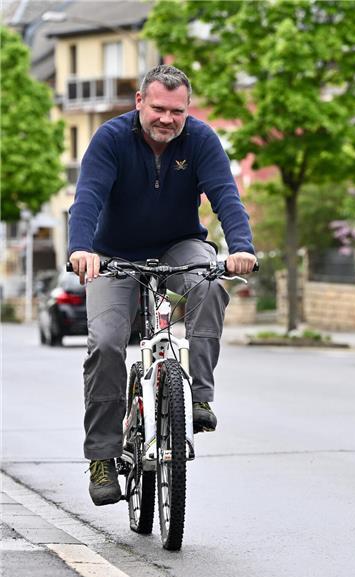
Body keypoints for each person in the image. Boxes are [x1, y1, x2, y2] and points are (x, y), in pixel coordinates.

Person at [67, 65, 256, 506]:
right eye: (157, 109)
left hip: (179, 245)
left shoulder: (201, 140)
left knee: (210, 280)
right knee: (107, 343)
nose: (167, 119)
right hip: (112, 256)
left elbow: (227, 197)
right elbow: (88, 199)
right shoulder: (111, 139)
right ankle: (101, 457)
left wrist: (241, 247)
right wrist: (81, 250)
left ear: (187, 109)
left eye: (176, 111)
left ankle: (200, 398)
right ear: (139, 103)